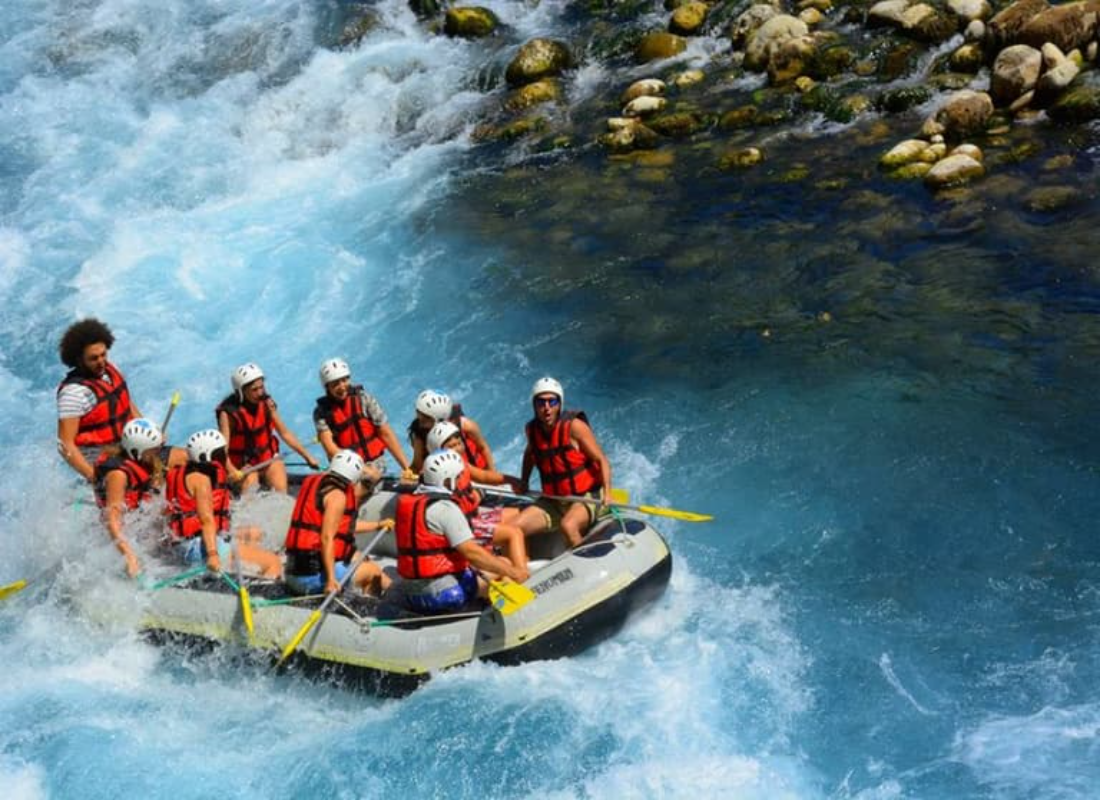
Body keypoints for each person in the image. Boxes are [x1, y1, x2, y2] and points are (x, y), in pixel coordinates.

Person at [395, 449, 529, 614]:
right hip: (444, 594)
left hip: (411, 593)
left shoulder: (408, 503)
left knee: (488, 567)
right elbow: (473, 554)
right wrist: (514, 572)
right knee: (505, 565)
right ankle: (503, 612)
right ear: (447, 480)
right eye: (457, 477)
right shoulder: (446, 509)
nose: (460, 481)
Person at [164, 429, 282, 578]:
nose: (224, 458)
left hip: (184, 544)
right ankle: (260, 587)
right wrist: (213, 555)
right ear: (205, 456)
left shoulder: (184, 472)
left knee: (253, 533)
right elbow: (206, 520)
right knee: (274, 562)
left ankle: (246, 569)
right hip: (199, 548)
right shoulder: (201, 481)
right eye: (220, 454)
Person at [514, 377, 612, 548]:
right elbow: (529, 455)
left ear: (559, 404)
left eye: (552, 402)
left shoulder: (575, 427)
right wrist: (524, 481)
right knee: (515, 529)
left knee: (569, 526)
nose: (547, 408)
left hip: (587, 495)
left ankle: (586, 559)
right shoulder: (532, 430)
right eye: (541, 402)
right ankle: (521, 564)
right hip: (555, 500)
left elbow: (601, 460)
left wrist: (608, 493)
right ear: (534, 405)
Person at [283, 450, 392, 596]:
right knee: (373, 571)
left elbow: (342, 527)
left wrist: (378, 525)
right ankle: (369, 605)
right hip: (309, 579)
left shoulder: (315, 483)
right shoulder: (337, 496)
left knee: (358, 556)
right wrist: (331, 580)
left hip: (292, 573)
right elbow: (326, 538)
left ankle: (394, 590)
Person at [426, 422, 529, 574]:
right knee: (514, 533)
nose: (458, 449)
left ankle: (518, 560)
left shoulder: (461, 463)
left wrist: (509, 480)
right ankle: (522, 573)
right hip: (465, 529)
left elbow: (484, 476)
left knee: (519, 513)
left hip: (473, 519)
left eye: (459, 443)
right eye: (452, 446)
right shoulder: (441, 476)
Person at [56, 318, 141, 482]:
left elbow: (125, 404)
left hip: (126, 450)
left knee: (179, 458)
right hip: (101, 464)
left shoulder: (110, 372)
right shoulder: (73, 394)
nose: (101, 362)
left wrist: (148, 431)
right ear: (79, 360)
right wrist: (94, 478)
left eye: (103, 355)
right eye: (93, 358)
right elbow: (65, 444)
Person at [215, 362, 319, 493]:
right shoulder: (228, 414)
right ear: (240, 392)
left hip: (266, 460)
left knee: (279, 475)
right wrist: (232, 471)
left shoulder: (266, 403)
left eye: (261, 387)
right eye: (254, 390)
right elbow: (222, 450)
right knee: (251, 484)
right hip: (243, 468)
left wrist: (307, 457)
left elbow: (285, 433)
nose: (260, 392)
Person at [313, 358, 414, 485]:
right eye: (335, 384)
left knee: (365, 483)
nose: (342, 386)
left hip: (374, 463)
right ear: (327, 387)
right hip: (345, 467)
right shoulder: (321, 413)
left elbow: (386, 434)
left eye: (344, 380)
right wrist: (362, 469)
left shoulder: (365, 399)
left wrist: (407, 468)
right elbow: (330, 449)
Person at [94, 418, 167, 577]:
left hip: (140, 524)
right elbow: (111, 519)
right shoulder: (118, 475)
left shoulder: (142, 460)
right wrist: (129, 555)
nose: (158, 452)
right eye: (154, 449)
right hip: (124, 535)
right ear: (137, 451)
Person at [407, 389, 496, 474]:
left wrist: (492, 472)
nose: (419, 418)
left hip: (478, 471)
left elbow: (483, 448)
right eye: (418, 412)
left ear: (439, 418)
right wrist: (407, 476)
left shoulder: (466, 425)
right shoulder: (420, 434)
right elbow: (417, 465)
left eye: (424, 418)